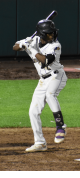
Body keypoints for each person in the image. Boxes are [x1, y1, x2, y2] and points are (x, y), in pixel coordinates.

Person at [13, 19, 67, 152]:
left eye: (52, 33)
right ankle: (40, 143)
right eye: (49, 34)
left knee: (50, 95)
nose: (52, 35)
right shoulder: (33, 41)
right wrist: (23, 44)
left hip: (56, 76)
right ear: (42, 34)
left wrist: (30, 48)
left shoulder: (55, 45)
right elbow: (14, 47)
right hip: (43, 80)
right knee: (33, 112)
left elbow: (46, 60)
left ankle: (60, 126)